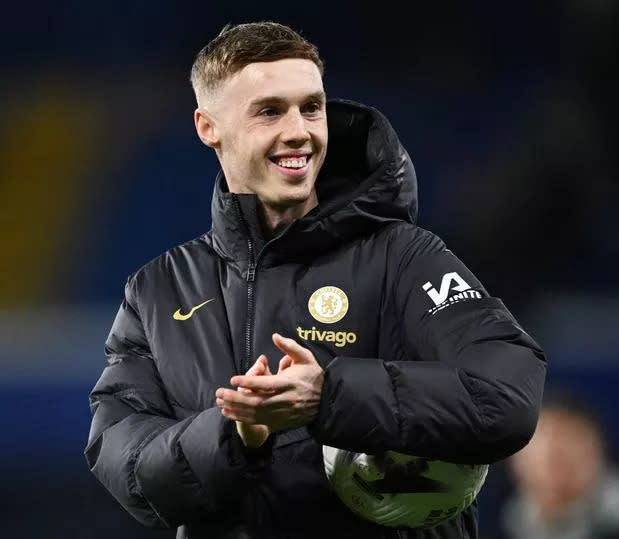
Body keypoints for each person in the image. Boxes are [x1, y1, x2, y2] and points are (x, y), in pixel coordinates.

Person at [84, 21, 547, 539]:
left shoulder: (404, 258)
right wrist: (238, 435)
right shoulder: (158, 291)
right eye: (269, 111)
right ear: (208, 126)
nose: (299, 130)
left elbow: (508, 393)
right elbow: (127, 467)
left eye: (312, 106)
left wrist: (331, 395)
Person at [501, 389, 619, 539]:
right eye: (540, 445)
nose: (552, 456)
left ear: (597, 452)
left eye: (568, 440)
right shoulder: (489, 525)